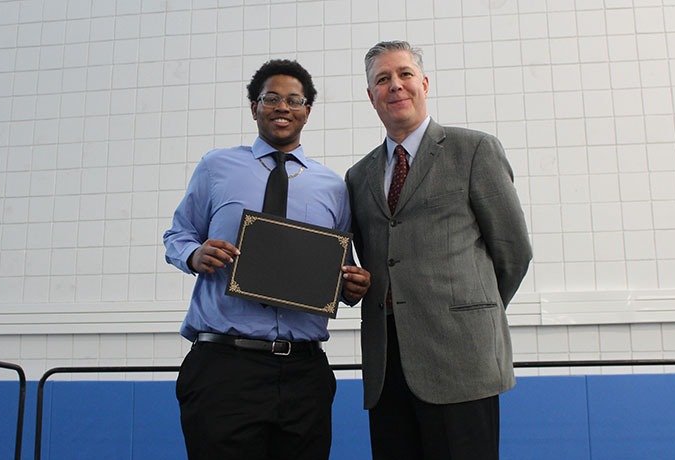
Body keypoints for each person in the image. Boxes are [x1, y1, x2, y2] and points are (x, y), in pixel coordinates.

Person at [163, 59, 370, 460]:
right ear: (254, 107)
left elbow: (343, 268)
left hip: (304, 374)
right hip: (225, 368)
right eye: (271, 98)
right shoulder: (216, 167)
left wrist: (354, 286)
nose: (282, 107)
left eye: (294, 100)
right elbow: (178, 235)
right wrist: (194, 253)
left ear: (307, 111)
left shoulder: (333, 187)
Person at [345, 41, 533, 460]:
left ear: (424, 83)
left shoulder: (474, 150)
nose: (395, 85)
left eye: (405, 74)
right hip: (387, 366)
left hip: (461, 358)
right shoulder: (358, 176)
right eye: (382, 79)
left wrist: (471, 312)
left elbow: (513, 252)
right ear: (371, 96)